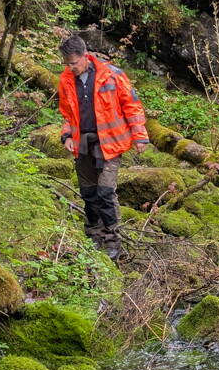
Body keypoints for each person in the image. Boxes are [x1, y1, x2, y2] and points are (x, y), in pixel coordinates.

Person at [56, 33, 150, 259]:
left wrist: (140, 136)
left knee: (106, 192)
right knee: (88, 193)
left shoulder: (113, 76)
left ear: (85, 56)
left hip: (110, 143)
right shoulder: (66, 80)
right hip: (82, 144)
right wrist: (66, 136)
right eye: (67, 64)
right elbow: (66, 114)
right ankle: (93, 236)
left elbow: (133, 106)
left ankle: (112, 241)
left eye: (74, 63)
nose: (71, 68)